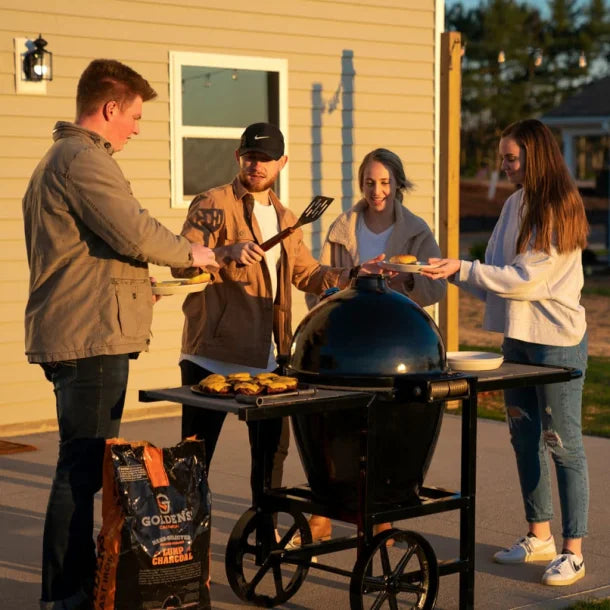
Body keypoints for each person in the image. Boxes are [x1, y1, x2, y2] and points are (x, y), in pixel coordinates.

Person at [22, 59, 217, 610]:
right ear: (109, 109)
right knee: (80, 469)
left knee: (81, 467)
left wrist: (143, 287)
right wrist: (191, 254)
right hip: (90, 338)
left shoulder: (60, 159)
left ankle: (80, 584)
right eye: (133, 116)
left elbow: (87, 255)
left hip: (81, 327)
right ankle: (65, 595)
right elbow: (132, 230)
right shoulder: (84, 159)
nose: (137, 127)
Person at [173, 122, 382, 500]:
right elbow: (182, 264)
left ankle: (265, 534)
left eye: (266, 159)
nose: (257, 165)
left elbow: (309, 275)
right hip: (212, 356)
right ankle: (184, 545)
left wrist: (354, 273)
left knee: (271, 456)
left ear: (282, 162)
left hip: (268, 359)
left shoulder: (288, 220)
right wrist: (224, 252)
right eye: (251, 157)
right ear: (239, 157)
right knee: (194, 459)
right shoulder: (212, 203)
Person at [421, 119, 589, 587]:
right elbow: (494, 271)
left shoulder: (559, 205)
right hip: (518, 340)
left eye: (510, 158)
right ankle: (540, 536)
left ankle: (574, 549)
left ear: (533, 157)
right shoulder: (515, 203)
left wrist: (464, 268)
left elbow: (524, 279)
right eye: (502, 157)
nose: (503, 165)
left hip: (558, 344)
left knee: (563, 445)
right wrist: (449, 272)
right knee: (524, 437)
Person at [300, 147, 447, 544]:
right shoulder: (343, 227)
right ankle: (323, 516)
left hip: (395, 347)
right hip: (347, 344)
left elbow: (435, 286)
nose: (377, 191)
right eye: (369, 182)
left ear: (398, 184)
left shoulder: (416, 231)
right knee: (335, 434)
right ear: (360, 184)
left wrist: (400, 282)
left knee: (385, 433)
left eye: (384, 182)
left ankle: (380, 520)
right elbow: (324, 285)